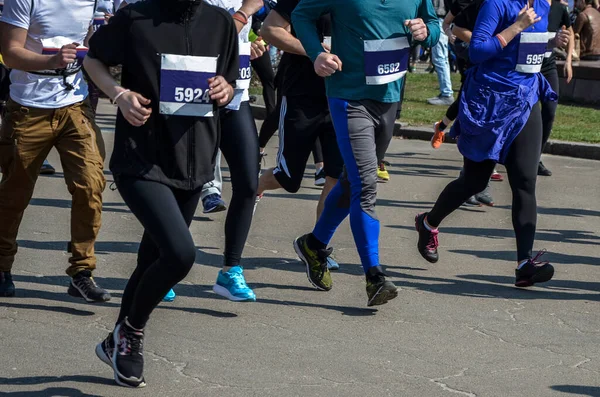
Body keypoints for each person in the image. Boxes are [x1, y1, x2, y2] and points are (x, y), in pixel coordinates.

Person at [84, 0, 240, 387]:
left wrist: (225, 87)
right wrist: (118, 95)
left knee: (152, 256)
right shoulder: (136, 18)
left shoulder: (220, 22)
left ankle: (118, 342)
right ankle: (132, 331)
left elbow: (230, 80)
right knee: (180, 253)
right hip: (142, 159)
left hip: (194, 161)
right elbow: (92, 59)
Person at [291, 0, 440, 306]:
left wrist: (427, 32)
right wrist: (316, 52)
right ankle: (374, 276)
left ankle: (314, 244)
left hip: (388, 97)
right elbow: (301, 15)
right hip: (349, 95)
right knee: (366, 185)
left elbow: (435, 26)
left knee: (351, 182)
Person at [415, 0, 570, 288]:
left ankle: (524, 264)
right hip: (490, 101)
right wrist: (516, 27)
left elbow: (529, 54)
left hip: (526, 100)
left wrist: (551, 44)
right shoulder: (496, 5)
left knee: (525, 180)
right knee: (474, 182)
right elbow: (478, 51)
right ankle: (428, 223)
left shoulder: (543, 6)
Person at [0, 0, 110, 302]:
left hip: (75, 105)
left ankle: (81, 272)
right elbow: (11, 52)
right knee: (15, 193)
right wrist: (51, 62)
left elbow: (87, 41)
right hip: (27, 107)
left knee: (91, 184)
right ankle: (2, 265)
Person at [257, 0, 343, 271]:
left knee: (336, 176)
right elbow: (269, 30)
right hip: (301, 95)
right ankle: (252, 188)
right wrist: (315, 51)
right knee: (287, 178)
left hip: (341, 97)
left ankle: (317, 246)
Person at [539, 0, 575, 176]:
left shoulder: (560, 8)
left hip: (548, 67)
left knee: (550, 110)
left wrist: (568, 61)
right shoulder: (529, 6)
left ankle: (536, 156)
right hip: (528, 68)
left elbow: (570, 33)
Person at [428, 0, 455, 106]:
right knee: (441, 58)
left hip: (440, 18)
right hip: (441, 19)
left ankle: (447, 94)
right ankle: (445, 92)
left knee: (440, 58)